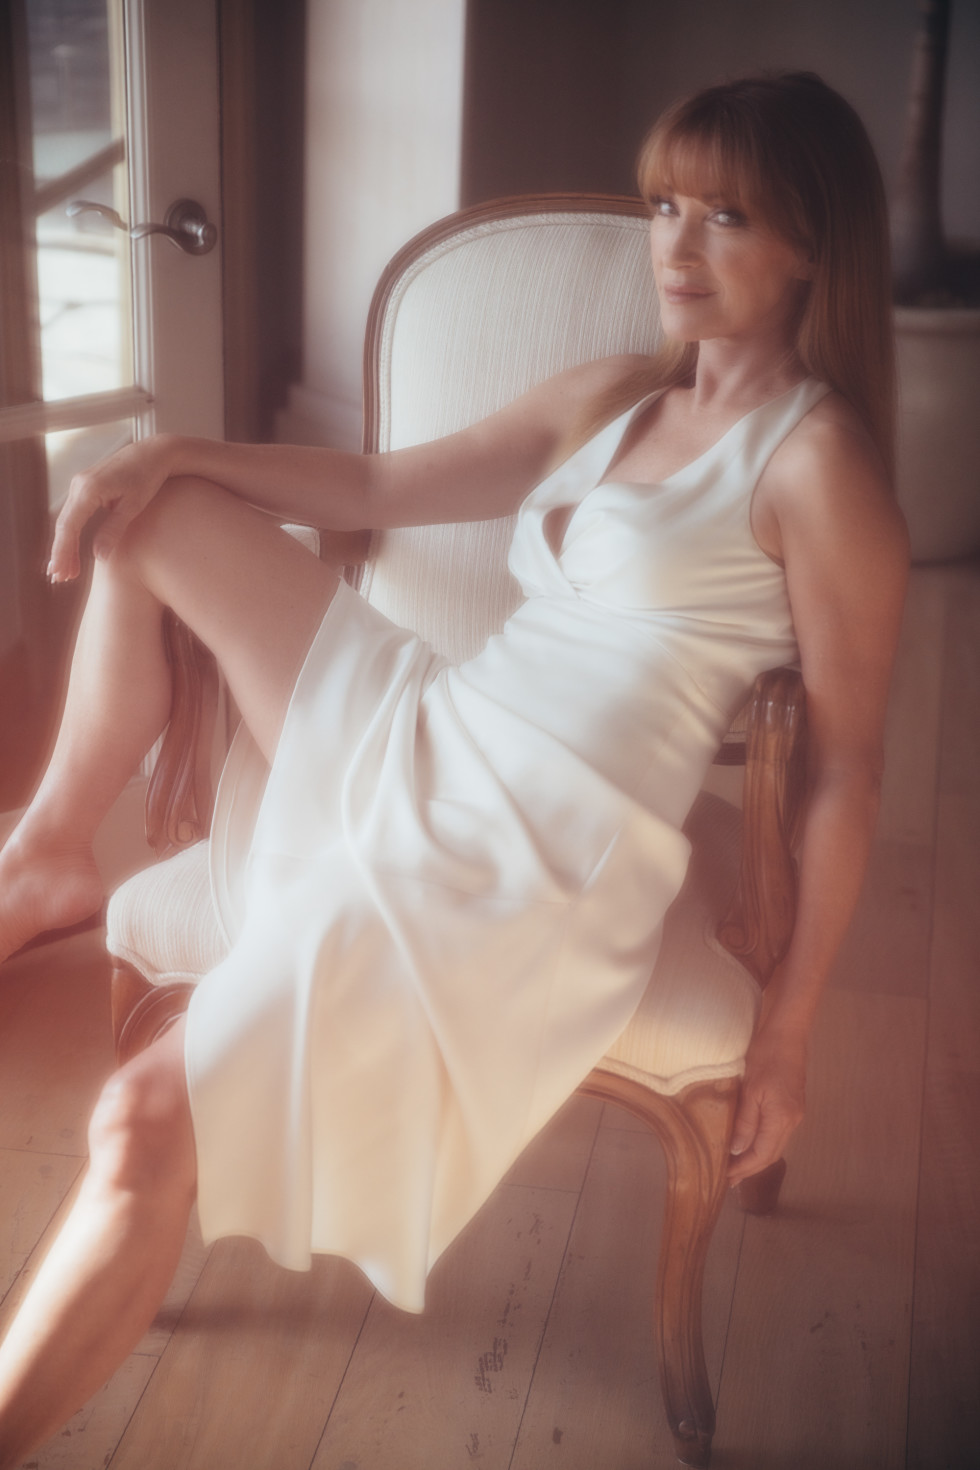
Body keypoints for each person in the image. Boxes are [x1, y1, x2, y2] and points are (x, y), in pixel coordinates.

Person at [0, 70, 907, 1466]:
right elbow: (376, 489)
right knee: (156, 509)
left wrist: (787, 1032)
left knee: (138, 1119)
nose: (675, 246)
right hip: (434, 720)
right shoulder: (620, 392)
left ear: (812, 246)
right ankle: (53, 850)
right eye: (666, 205)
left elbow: (846, 772)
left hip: (529, 844)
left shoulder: (819, 463)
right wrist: (166, 446)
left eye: (727, 217)